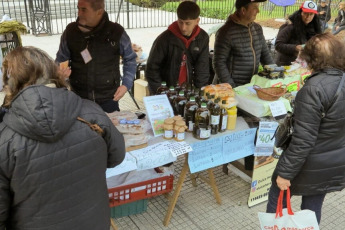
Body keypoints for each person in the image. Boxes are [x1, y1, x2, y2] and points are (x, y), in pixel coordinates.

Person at [0, 46, 126, 229]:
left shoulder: (5, 139)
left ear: (10, 82)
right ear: (52, 71)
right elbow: (117, 156)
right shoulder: (92, 112)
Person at [266, 33, 345, 225]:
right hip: (333, 161)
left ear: (312, 59)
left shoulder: (314, 88)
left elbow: (303, 140)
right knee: (312, 209)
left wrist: (285, 173)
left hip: (308, 162)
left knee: (277, 200)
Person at [56, 0, 137, 113]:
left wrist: (126, 85)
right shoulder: (70, 32)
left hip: (109, 99)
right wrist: (60, 73)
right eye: (78, 8)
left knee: (107, 130)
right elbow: (60, 59)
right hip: (79, 98)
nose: (79, 13)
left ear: (99, 12)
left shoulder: (116, 32)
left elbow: (130, 59)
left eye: (84, 9)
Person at [145, 1, 210, 95]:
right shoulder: (164, 39)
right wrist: (160, 92)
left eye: (188, 23)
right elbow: (151, 69)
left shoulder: (203, 38)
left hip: (188, 91)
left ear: (197, 21)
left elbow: (202, 68)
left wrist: (199, 93)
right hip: (165, 90)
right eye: (180, 22)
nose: (183, 28)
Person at [213, 0, 273, 88]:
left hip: (250, 86)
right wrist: (231, 87)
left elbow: (265, 55)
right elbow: (218, 63)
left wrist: (276, 72)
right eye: (255, 7)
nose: (258, 11)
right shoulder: (226, 32)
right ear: (243, 11)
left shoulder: (257, 29)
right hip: (231, 87)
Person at [275, 1, 321, 66]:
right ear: (300, 12)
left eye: (311, 14)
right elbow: (278, 45)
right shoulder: (290, 26)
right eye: (305, 13)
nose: (308, 17)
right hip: (285, 65)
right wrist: (295, 47)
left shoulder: (314, 28)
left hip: (302, 65)